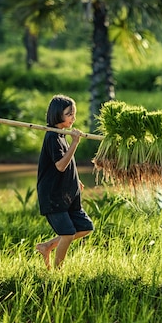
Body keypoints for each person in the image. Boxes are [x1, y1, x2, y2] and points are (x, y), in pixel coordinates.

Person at [35, 94, 94, 269]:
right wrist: (75, 143)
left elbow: (67, 164)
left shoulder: (61, 135)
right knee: (67, 234)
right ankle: (57, 273)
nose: (73, 118)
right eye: (69, 114)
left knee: (85, 227)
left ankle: (47, 246)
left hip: (67, 193)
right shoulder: (52, 136)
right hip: (54, 196)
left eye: (74, 114)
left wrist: (76, 180)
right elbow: (60, 165)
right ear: (57, 114)